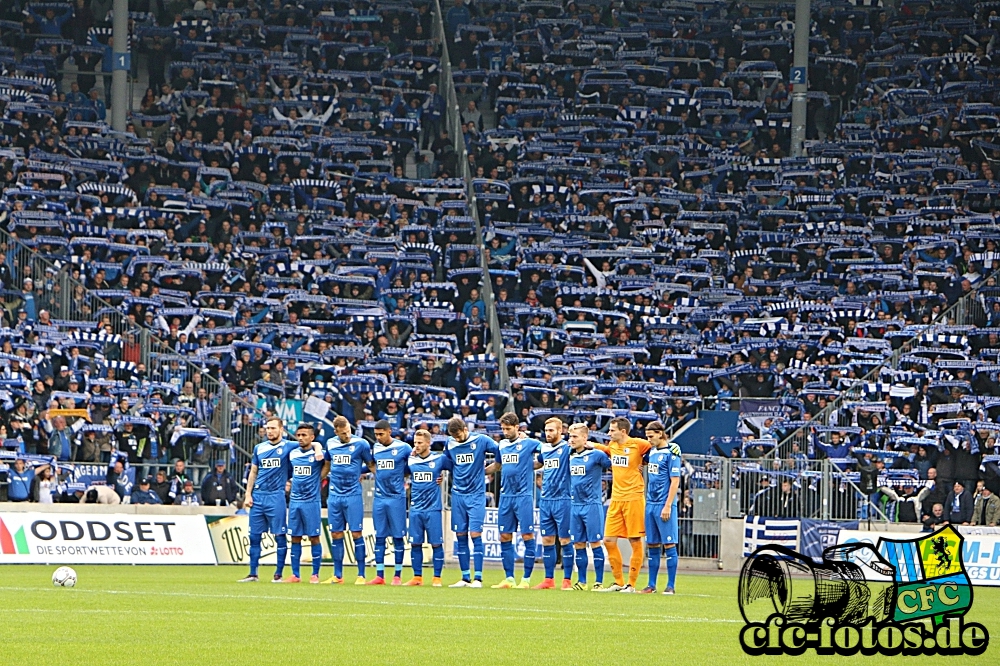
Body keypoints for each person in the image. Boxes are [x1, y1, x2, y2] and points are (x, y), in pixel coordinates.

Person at [239, 417, 321, 583]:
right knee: (254, 536)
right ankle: (253, 573)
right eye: (267, 428)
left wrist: (318, 449)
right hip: (258, 496)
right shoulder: (259, 448)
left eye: (273, 428)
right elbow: (253, 472)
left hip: (276, 495)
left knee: (280, 535)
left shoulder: (289, 446)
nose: (269, 431)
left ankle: (278, 573)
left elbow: (312, 443)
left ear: (281, 430)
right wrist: (248, 494)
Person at [591, 417, 651, 592]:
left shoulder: (639, 444)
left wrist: (645, 463)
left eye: (612, 430)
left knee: (634, 540)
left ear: (623, 431)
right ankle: (618, 582)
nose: (609, 433)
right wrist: (591, 444)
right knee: (608, 540)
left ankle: (631, 584)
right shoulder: (612, 446)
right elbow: (606, 450)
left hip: (634, 497)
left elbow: (654, 448)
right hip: (616, 498)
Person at [443, 416, 500, 587]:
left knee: (475, 534)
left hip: (475, 495)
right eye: (455, 437)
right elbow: (446, 462)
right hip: (458, 495)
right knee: (460, 535)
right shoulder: (449, 443)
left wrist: (493, 468)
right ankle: (465, 577)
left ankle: (479, 578)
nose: (457, 439)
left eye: (459, 436)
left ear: (465, 429)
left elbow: (500, 452)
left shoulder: (481, 440)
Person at [491, 413, 542, 589]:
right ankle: (509, 579)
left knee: (527, 535)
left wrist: (533, 465)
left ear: (517, 427)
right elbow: (497, 466)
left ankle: (526, 579)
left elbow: (546, 453)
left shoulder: (529, 443)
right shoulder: (502, 445)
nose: (505, 432)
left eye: (508, 428)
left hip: (523, 496)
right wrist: (476, 472)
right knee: (504, 536)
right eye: (503, 429)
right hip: (506, 496)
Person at [325, 415, 375, 585]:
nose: (346, 436)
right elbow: (326, 464)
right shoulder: (330, 443)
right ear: (336, 432)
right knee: (336, 533)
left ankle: (361, 574)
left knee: (356, 533)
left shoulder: (361, 444)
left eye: (348, 432)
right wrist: (317, 481)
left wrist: (380, 478)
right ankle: (337, 575)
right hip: (334, 495)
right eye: (342, 434)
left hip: (352, 494)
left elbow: (370, 465)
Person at [404, 429, 451, 586]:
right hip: (416, 508)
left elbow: (456, 469)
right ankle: (417, 577)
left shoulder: (440, 460)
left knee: (436, 543)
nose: (416, 446)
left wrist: (442, 477)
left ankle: (436, 577)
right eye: (415, 443)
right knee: (415, 543)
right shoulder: (410, 461)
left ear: (428, 443)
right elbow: (400, 473)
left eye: (420, 443)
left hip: (433, 509)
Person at [369, 420, 412, 586]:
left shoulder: (404, 448)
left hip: (396, 498)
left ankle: (397, 575)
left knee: (398, 536)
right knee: (379, 535)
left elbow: (413, 466)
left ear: (389, 431)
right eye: (376, 435)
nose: (378, 438)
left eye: (381, 434)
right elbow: (371, 464)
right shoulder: (376, 448)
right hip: (380, 498)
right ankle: (379, 575)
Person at [284, 423, 329, 584]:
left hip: (311, 501)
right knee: (295, 537)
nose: (301, 438)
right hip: (295, 501)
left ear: (312, 437)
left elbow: (327, 465)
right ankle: (295, 574)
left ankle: (315, 574)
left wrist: (319, 479)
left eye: (304, 435)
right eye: (299, 435)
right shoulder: (293, 453)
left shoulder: (319, 454)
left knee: (314, 537)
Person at [640, 422, 681, 595]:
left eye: (651, 436)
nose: (649, 440)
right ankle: (651, 584)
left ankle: (670, 586)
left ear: (660, 434)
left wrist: (668, 506)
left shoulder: (672, 454)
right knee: (652, 544)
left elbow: (675, 481)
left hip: (665, 505)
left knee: (669, 544)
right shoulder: (652, 452)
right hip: (650, 504)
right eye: (647, 436)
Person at [567, 423, 609, 590]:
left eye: (575, 436)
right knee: (578, 544)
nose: (571, 440)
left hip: (591, 505)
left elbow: (613, 461)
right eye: (570, 436)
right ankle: (582, 581)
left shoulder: (596, 455)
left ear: (585, 438)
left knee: (595, 542)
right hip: (575, 505)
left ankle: (598, 582)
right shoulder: (569, 456)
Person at [534, 417, 574, 590]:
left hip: (563, 499)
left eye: (551, 430)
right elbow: (539, 463)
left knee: (565, 539)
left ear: (560, 431)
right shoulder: (544, 448)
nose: (548, 433)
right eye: (546, 430)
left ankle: (567, 580)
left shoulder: (567, 448)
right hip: (546, 500)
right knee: (547, 539)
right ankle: (548, 579)